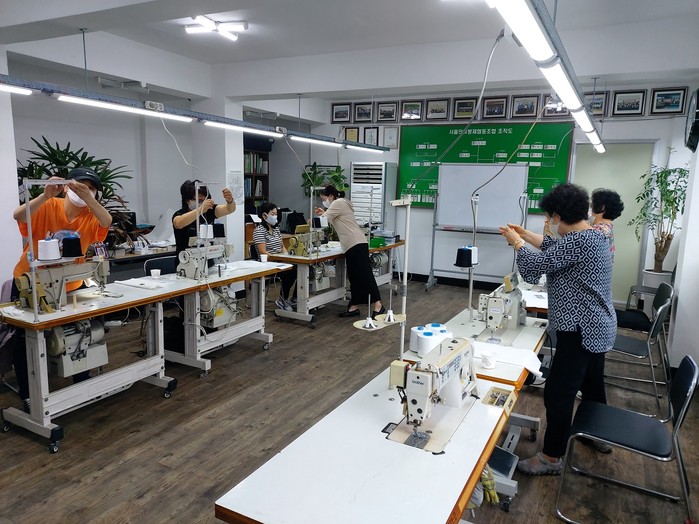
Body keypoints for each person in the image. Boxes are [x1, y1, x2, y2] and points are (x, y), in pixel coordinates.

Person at [499, 183, 616, 475]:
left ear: (558, 216)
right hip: (597, 326)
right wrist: (526, 235)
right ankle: (596, 433)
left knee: (558, 393)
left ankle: (550, 458)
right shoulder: (591, 235)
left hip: (581, 328)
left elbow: (534, 268)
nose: (549, 222)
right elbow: (555, 249)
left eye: (550, 216)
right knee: (592, 385)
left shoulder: (579, 241)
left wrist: (517, 243)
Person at [10, 167, 113, 411]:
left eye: (90, 188)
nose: (84, 190)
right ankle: (29, 394)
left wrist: (89, 199)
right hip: (31, 284)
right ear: (66, 186)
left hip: (70, 286)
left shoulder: (91, 215)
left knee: (80, 332)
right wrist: (45, 194)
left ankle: (82, 381)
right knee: (24, 340)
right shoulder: (48, 205)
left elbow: (106, 222)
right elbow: (18, 215)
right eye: (79, 185)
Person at [314, 185, 384, 319]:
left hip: (355, 243)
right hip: (352, 245)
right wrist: (324, 212)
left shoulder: (338, 203)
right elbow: (330, 216)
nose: (323, 201)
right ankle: (354, 307)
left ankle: (378, 305)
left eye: (324, 199)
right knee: (354, 277)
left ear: (331, 196)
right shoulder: (339, 204)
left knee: (365, 276)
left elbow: (322, 221)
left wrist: (312, 220)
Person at [172, 180, 236, 259]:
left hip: (207, 259)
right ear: (187, 200)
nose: (202, 203)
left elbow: (229, 209)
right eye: (199, 201)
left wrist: (230, 201)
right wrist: (200, 210)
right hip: (186, 260)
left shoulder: (209, 211)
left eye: (204, 200)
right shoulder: (180, 214)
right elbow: (178, 223)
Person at [253, 202, 297, 310]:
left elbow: (282, 247)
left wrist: (287, 256)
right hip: (268, 262)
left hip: (280, 260)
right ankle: (282, 299)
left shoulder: (276, 228)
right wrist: (279, 259)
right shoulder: (259, 231)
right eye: (272, 214)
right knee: (289, 271)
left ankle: (295, 297)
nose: (275, 216)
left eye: (276, 214)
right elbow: (263, 252)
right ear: (264, 216)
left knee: (299, 268)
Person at [589, 188, 624, 262]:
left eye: (593, 203)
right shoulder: (607, 227)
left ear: (602, 207)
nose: (591, 206)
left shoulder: (599, 229)